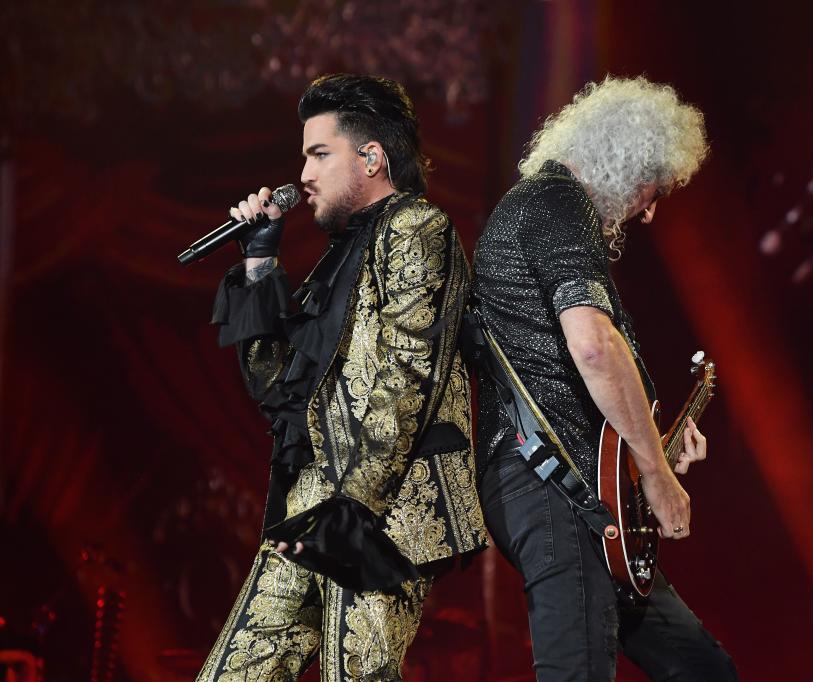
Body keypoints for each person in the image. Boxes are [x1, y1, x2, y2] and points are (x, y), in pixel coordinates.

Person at [197, 74, 485, 681]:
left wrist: (355, 503)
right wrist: (258, 259)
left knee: (356, 672)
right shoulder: (338, 260)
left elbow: (409, 375)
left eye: (318, 153)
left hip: (382, 506)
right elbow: (274, 385)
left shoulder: (416, 229)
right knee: (238, 670)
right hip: (315, 500)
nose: (302, 174)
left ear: (372, 156)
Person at [472, 75, 738, 681]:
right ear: (626, 161)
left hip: (584, 496)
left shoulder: (543, 210)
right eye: (655, 189)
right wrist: (655, 471)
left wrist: (653, 447)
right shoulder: (557, 203)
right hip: (551, 488)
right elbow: (593, 345)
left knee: (705, 671)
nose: (648, 210)